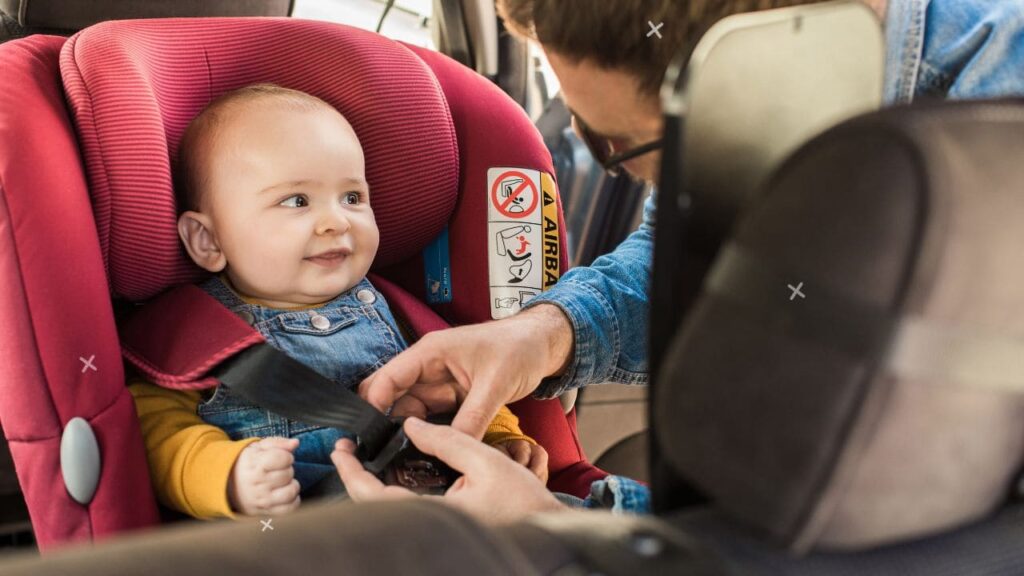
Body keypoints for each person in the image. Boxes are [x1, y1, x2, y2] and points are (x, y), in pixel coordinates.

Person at [337, 0, 1024, 522]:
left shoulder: (999, 133)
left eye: (620, 145)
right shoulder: (759, 113)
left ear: (762, 71)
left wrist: (560, 534)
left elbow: (922, 529)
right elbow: (694, 248)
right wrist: (544, 335)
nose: (624, 176)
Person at [128, 84, 547, 519]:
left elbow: (461, 388)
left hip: (446, 511)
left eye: (352, 197)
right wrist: (228, 476)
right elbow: (155, 434)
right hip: (313, 536)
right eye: (296, 201)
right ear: (208, 239)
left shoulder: (402, 314)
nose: (336, 221)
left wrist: (499, 439)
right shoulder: (192, 337)